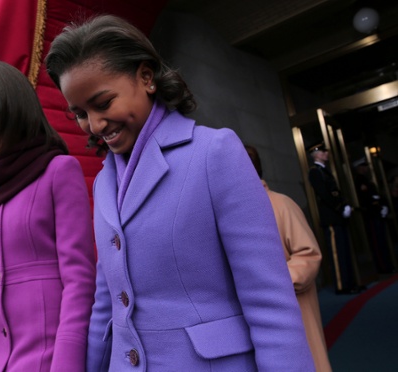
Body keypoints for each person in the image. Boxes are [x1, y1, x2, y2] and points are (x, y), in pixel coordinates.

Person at [46, 14, 313, 371]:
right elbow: (106, 301)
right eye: (80, 114)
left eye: (103, 103)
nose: (93, 126)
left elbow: (269, 302)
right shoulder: (103, 181)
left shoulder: (214, 152)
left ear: (146, 77)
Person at [0, 61, 96, 372]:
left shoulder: (59, 171)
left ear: (12, 111)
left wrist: (66, 366)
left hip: (49, 360)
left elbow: (79, 279)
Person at [245, 145, 332, 372]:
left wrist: (275, 283)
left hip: (291, 306)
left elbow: (309, 255)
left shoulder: (281, 204)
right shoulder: (227, 211)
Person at [307, 143, 359, 294]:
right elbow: (324, 194)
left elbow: (335, 192)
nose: (326, 153)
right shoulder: (315, 172)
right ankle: (342, 285)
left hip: (337, 216)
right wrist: (340, 207)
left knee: (344, 251)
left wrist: (345, 205)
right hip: (331, 217)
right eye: (323, 151)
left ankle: (349, 283)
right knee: (337, 254)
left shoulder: (324, 171)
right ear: (316, 154)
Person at [352, 157, 394, 274]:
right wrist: (378, 206)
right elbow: (366, 199)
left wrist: (383, 206)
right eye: (363, 166)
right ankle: (383, 267)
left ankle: (387, 265)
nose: (366, 168)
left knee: (382, 241)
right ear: (359, 168)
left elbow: (377, 195)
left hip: (377, 213)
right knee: (377, 243)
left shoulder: (367, 180)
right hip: (371, 214)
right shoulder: (359, 181)